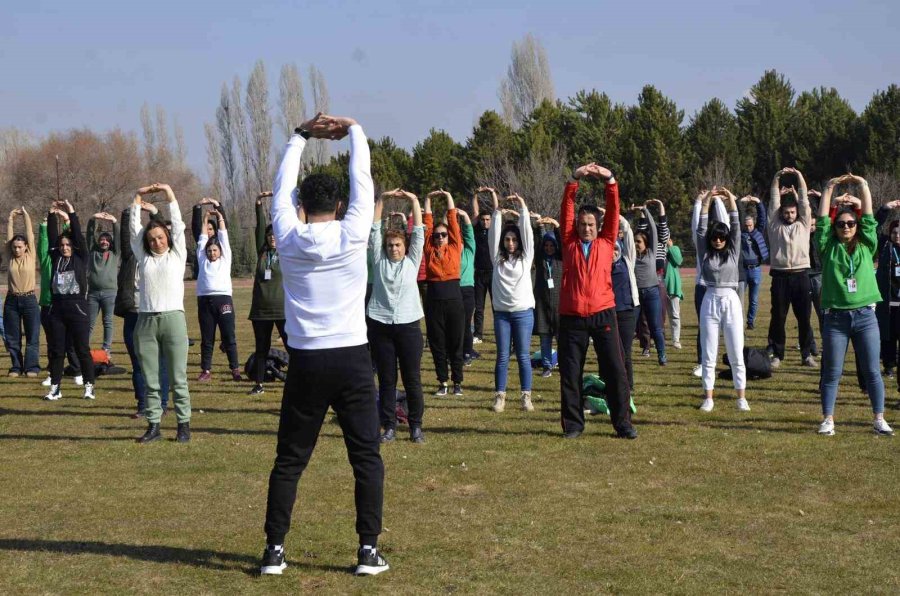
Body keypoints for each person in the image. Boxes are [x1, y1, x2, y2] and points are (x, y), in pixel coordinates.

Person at [261, 114, 388, 577]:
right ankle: (367, 552)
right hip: (352, 357)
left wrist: (299, 135)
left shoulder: (288, 237)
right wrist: (354, 129)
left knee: (290, 460)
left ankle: (274, 551)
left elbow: (281, 185)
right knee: (366, 457)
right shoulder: (354, 231)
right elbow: (363, 176)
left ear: (300, 203)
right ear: (339, 203)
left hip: (307, 361)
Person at [557, 163, 637, 440]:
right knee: (570, 373)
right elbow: (566, 209)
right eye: (582, 225)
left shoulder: (606, 241)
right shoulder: (568, 243)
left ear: (598, 226)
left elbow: (614, 211)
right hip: (572, 317)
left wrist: (610, 181)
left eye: (590, 224)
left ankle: (623, 423)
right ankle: (574, 425)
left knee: (616, 369)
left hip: (603, 313)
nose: (586, 228)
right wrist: (574, 179)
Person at [815, 174, 893, 436]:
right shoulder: (827, 246)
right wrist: (828, 188)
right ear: (835, 228)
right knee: (832, 373)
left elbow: (869, 218)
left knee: (872, 371)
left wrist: (863, 185)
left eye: (850, 223)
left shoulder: (867, 245)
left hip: (865, 317)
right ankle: (828, 419)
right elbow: (822, 220)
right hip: (836, 318)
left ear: (856, 226)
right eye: (841, 224)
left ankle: (879, 419)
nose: (846, 227)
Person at [130, 182, 192, 444]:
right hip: (145, 321)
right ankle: (153, 425)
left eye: (160, 237)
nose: (156, 241)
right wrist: (136, 199)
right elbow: (133, 231)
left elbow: (178, 224)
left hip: (173, 320)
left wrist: (170, 194)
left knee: (178, 377)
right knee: (150, 377)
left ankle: (183, 426)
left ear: (167, 237)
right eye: (152, 238)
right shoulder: (143, 257)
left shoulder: (177, 254)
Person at [368, 188, 426, 443]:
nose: (393, 248)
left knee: (412, 379)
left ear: (405, 246)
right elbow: (374, 231)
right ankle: (389, 426)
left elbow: (420, 234)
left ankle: (415, 427)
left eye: (398, 244)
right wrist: (381, 200)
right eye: (390, 245)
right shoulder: (378, 261)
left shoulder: (412, 262)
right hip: (381, 324)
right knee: (387, 380)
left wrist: (413, 201)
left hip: (409, 326)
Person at [695, 188, 749, 412]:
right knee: (708, 353)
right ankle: (708, 397)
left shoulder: (734, 251)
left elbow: (736, 227)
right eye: (715, 237)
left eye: (722, 237)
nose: (718, 240)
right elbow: (700, 229)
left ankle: (741, 397)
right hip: (710, 300)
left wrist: (731, 201)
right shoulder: (705, 252)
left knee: (736, 351)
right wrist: (706, 201)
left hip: (731, 300)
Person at [115, 202, 170, 418]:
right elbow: (125, 235)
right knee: (137, 363)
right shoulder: (130, 257)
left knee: (160, 363)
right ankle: (142, 405)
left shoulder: (159, 257)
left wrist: (155, 213)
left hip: (156, 313)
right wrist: (130, 211)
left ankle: (162, 404)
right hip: (133, 314)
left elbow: (164, 233)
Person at [44, 200, 96, 401]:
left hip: (78, 309)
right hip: (57, 310)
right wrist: (51, 215)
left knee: (82, 349)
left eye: (68, 245)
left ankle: (89, 386)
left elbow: (77, 234)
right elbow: (50, 237)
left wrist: (71, 211)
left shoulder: (81, 256)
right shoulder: (56, 257)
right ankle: (55, 388)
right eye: (62, 245)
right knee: (57, 351)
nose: (65, 247)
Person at [488, 193, 535, 413]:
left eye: (514, 239)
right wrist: (498, 212)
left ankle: (526, 397)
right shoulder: (497, 259)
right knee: (503, 356)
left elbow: (527, 232)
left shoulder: (526, 259)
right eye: (507, 239)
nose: (511, 243)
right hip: (502, 315)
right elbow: (493, 234)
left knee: (524, 356)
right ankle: (500, 396)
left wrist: (523, 206)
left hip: (523, 314)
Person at [766, 167, 816, 368]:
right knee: (778, 318)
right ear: (781, 213)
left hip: (801, 275)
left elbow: (804, 200)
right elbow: (773, 200)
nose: (789, 214)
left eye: (792, 212)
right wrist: (777, 177)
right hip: (779, 277)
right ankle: (778, 354)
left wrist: (799, 176)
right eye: (786, 212)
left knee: (804, 318)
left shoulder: (803, 224)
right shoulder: (774, 225)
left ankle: (806, 355)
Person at [423, 190, 466, 396]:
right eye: (437, 235)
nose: (440, 238)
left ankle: (458, 382)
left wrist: (449, 196)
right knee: (437, 343)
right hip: (433, 299)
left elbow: (452, 219)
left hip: (454, 299)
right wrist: (428, 200)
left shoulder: (455, 247)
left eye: (443, 235)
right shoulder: (429, 249)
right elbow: (427, 225)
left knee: (455, 342)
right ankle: (443, 382)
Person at [195, 205, 241, 382]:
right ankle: (206, 370)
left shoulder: (225, 257)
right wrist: (205, 218)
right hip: (205, 301)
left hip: (223, 300)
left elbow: (223, 235)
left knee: (229, 336)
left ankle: (235, 369)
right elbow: (202, 238)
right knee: (207, 339)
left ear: (220, 251)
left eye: (215, 250)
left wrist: (219, 217)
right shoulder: (202, 258)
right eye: (209, 250)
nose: (212, 253)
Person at [248, 191, 287, 396]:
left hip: (282, 310)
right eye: (270, 235)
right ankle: (259, 384)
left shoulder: (287, 254)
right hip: (261, 311)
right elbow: (260, 227)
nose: (273, 238)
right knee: (261, 348)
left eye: (276, 235)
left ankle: (298, 381)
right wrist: (258, 203)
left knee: (293, 347)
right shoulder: (262, 253)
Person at [38, 212, 83, 388]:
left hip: (67, 304)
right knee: (53, 343)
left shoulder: (66, 259)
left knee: (70, 343)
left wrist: (66, 221)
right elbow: (44, 243)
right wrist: (43, 225)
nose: (62, 247)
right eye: (59, 245)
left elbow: (68, 239)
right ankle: (52, 372)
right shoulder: (48, 260)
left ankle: (77, 370)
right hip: (48, 305)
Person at [5, 207, 41, 378]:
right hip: (11, 301)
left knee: (32, 336)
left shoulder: (31, 255)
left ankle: (32, 366)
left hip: (29, 300)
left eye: (20, 247)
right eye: (14, 247)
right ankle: (16, 367)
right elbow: (8, 238)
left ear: (26, 247)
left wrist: (26, 215)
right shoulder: (9, 256)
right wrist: (10, 219)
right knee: (13, 337)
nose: (17, 250)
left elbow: (30, 234)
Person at [632, 201, 667, 366]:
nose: (636, 244)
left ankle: (662, 355)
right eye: (634, 241)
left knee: (656, 327)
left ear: (645, 243)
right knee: (631, 328)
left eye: (638, 242)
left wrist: (646, 210)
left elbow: (653, 229)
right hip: (635, 295)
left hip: (652, 292)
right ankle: (626, 355)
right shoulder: (630, 255)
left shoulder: (652, 252)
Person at [609, 212, 640, 393]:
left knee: (625, 351)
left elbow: (627, 232)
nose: (613, 253)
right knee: (610, 351)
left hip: (627, 311)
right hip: (608, 311)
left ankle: (628, 385)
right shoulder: (602, 265)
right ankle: (611, 383)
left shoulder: (628, 260)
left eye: (615, 249)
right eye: (610, 250)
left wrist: (616, 216)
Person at [86, 212, 120, 356]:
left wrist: (114, 222)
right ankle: (83, 349)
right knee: (89, 323)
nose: (104, 241)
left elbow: (118, 239)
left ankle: (106, 349)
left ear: (110, 242)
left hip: (110, 293)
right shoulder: (93, 251)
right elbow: (89, 236)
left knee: (108, 322)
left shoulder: (114, 253)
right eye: (102, 239)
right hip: (93, 293)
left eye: (107, 239)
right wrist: (93, 219)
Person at [533, 215, 562, 378]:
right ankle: (547, 366)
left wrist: (556, 227)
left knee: (561, 339)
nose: (549, 247)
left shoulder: (561, 259)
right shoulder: (540, 259)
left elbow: (563, 244)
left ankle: (564, 363)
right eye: (547, 245)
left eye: (552, 245)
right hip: (543, 305)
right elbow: (537, 244)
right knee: (545, 339)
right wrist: (539, 228)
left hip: (559, 305)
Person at [738, 196, 768, 330]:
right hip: (742, 270)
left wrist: (759, 202)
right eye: (746, 225)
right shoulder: (740, 233)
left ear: (754, 224)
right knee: (739, 299)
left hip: (755, 269)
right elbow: (738, 215)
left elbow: (763, 217)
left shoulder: (758, 232)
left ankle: (750, 322)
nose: (748, 227)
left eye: (750, 224)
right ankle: (738, 320)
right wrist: (740, 202)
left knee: (754, 300)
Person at [471, 195, 494, 345]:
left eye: (487, 220)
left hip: (493, 273)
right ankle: (478, 334)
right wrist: (475, 195)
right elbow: (474, 211)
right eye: (483, 219)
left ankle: (500, 331)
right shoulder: (476, 230)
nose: (485, 222)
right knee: (478, 307)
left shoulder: (496, 231)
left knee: (496, 305)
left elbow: (497, 209)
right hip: (479, 273)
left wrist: (492, 193)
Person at [459, 193, 478, 365]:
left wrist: (464, 216)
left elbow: (470, 233)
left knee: (465, 322)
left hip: (467, 290)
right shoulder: (449, 253)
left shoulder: (469, 251)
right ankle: (457, 351)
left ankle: (467, 352)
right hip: (452, 289)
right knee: (455, 323)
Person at [664, 237, 683, 349]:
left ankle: (676, 339)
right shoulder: (655, 249)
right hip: (658, 286)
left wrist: (670, 247)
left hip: (672, 287)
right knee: (659, 317)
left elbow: (678, 260)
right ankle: (659, 340)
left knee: (675, 314)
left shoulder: (674, 248)